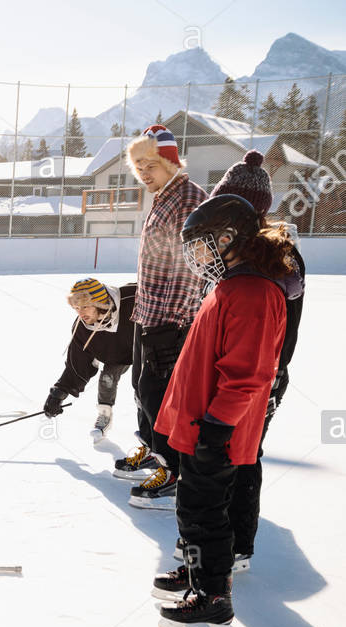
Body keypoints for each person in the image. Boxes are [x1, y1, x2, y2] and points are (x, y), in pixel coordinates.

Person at [151, 194, 300, 627]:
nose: (198, 256)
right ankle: (198, 573)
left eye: (203, 243)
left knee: (204, 511)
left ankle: (212, 599)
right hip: (202, 421)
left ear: (229, 238)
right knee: (195, 507)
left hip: (217, 427)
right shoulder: (232, 285)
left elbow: (249, 373)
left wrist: (217, 428)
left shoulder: (252, 291)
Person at [203, 151, 306, 571]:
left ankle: (238, 543)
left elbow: (266, 326)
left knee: (243, 454)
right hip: (237, 370)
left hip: (262, 375)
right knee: (227, 454)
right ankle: (217, 536)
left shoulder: (273, 258)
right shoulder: (237, 254)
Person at [118, 125, 208, 509]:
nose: (143, 172)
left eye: (149, 164)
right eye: (137, 166)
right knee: (142, 390)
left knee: (160, 394)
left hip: (170, 317)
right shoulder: (164, 195)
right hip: (150, 311)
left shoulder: (188, 199)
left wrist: (175, 319)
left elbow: (196, 265)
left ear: (171, 161)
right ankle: (154, 453)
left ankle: (173, 470)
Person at [41, 278, 136, 440]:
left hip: (145, 348)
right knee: (107, 378)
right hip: (117, 356)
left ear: (100, 303)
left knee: (144, 389)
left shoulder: (132, 300)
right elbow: (77, 366)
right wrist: (59, 392)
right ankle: (105, 415)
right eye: (76, 307)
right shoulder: (82, 328)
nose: (80, 312)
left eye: (85, 306)